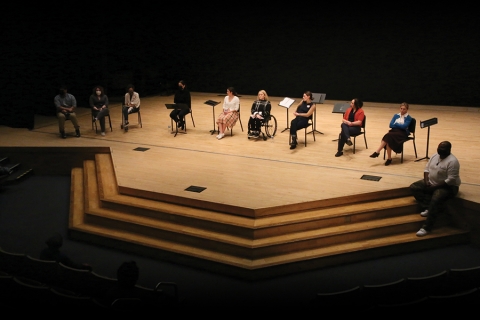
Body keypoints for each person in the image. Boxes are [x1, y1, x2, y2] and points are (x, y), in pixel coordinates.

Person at [410, 141, 461, 237]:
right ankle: (428, 207)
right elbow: (426, 169)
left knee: (436, 198)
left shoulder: (453, 162)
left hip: (448, 187)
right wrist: (426, 181)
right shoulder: (434, 156)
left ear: (449, 150)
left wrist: (434, 187)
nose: (440, 150)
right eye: (439, 148)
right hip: (432, 183)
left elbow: (450, 180)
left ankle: (426, 227)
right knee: (414, 187)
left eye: (443, 149)